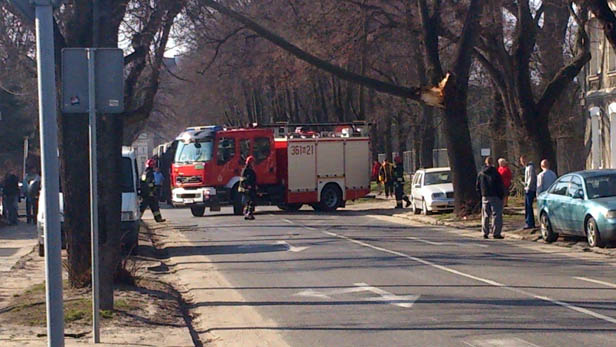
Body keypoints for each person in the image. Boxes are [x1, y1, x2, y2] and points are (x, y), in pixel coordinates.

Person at [476, 157, 505, 239]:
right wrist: (501, 195)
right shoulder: (496, 172)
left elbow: (477, 186)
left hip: (485, 196)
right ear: (492, 163)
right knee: (496, 215)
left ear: (485, 162)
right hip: (495, 196)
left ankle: (485, 232)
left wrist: (481, 194)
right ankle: (496, 233)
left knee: (485, 215)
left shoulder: (481, 173)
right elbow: (500, 185)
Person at [520, 155, 537, 229]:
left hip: (530, 189)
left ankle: (530, 223)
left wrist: (528, 187)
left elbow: (531, 178)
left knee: (529, 206)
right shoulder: (527, 167)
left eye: (523, 161)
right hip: (528, 188)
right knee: (527, 206)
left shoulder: (530, 167)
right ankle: (528, 222)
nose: (522, 163)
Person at [239, 156, 257, 220]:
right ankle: (249, 213)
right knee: (251, 201)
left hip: (246, 188)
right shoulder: (248, 170)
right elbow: (247, 179)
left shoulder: (244, 170)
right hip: (248, 188)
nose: (254, 163)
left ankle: (246, 213)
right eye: (253, 162)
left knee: (247, 201)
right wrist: (249, 186)